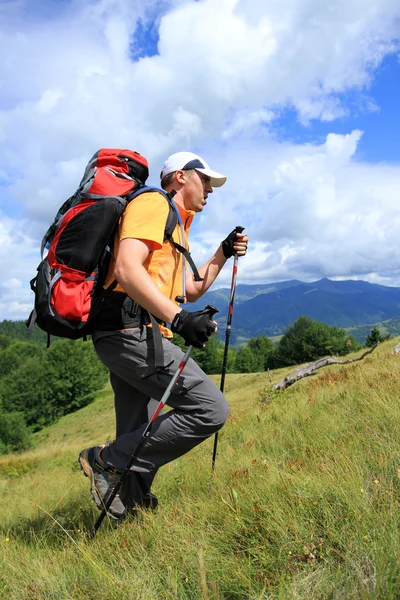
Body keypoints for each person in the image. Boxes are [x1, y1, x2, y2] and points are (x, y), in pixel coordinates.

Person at [78, 151, 248, 520]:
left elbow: (187, 288)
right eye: (206, 181)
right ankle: (104, 460)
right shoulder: (155, 203)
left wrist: (221, 253)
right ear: (181, 177)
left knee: (138, 428)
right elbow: (126, 268)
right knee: (210, 409)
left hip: (131, 333)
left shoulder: (177, 224)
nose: (211, 190)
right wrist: (180, 319)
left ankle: (132, 508)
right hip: (132, 332)